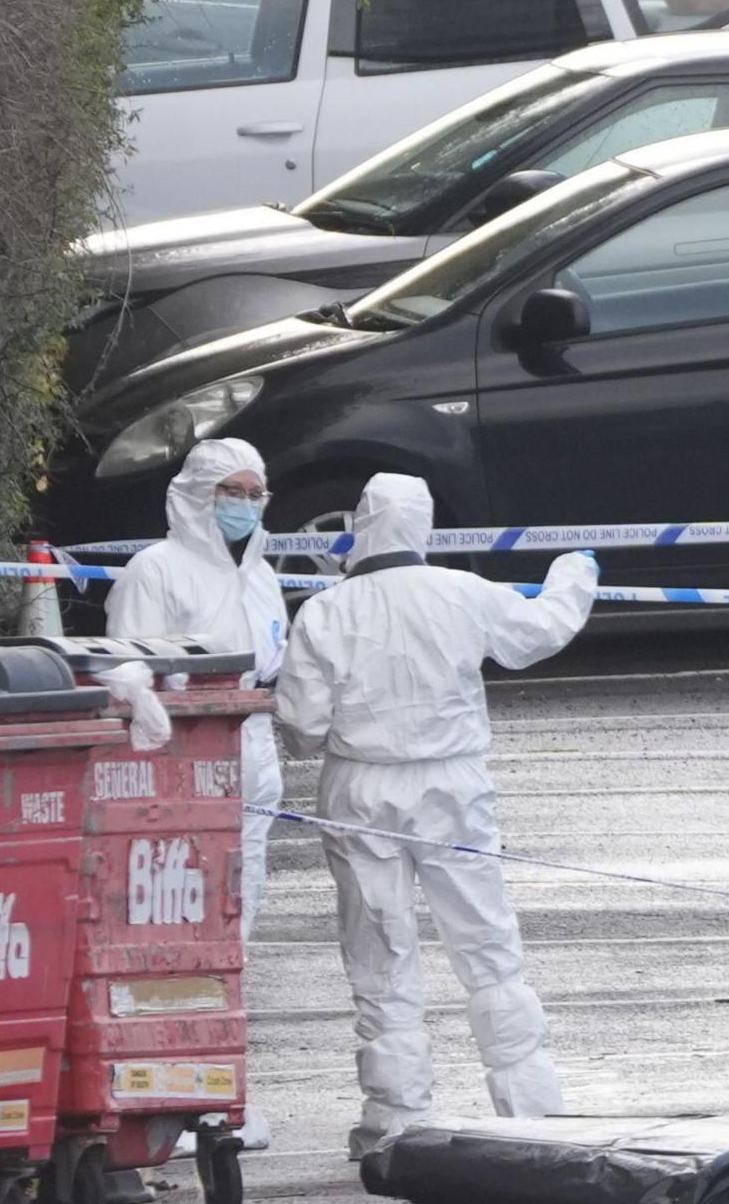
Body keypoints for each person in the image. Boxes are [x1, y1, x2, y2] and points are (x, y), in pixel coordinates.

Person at [274, 473, 599, 1159]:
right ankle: (533, 1114)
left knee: (380, 953)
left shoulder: (326, 611)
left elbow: (302, 724)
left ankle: (393, 1127)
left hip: (360, 789)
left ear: (359, 527)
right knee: (487, 946)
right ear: (423, 528)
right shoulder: (462, 591)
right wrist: (574, 574)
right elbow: (539, 631)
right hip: (453, 786)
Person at [104, 438, 287, 942]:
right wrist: (145, 711)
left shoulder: (260, 576)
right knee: (184, 884)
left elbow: (273, 660)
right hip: (186, 749)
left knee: (244, 883)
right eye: (233, 491)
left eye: (255, 494)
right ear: (201, 492)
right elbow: (126, 661)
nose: (245, 504)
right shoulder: (156, 569)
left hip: (254, 747)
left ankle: (232, 975)